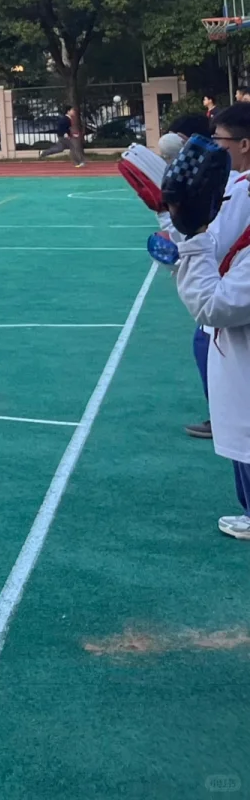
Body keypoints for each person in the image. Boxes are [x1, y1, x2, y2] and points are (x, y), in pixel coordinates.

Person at [171, 105, 250, 539]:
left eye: (220, 139)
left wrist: (192, 233)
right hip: (231, 329)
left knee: (242, 421)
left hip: (233, 329)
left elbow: (214, 303)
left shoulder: (242, 190)